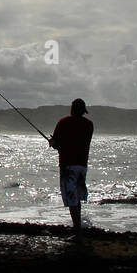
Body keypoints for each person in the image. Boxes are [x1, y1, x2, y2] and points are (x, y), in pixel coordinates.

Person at [48, 98, 94, 234]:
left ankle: (77, 228)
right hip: (82, 165)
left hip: (68, 164)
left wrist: (52, 142)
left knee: (71, 197)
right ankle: (77, 225)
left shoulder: (63, 122)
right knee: (77, 196)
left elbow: (57, 144)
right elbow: (79, 141)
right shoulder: (89, 125)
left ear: (72, 109)